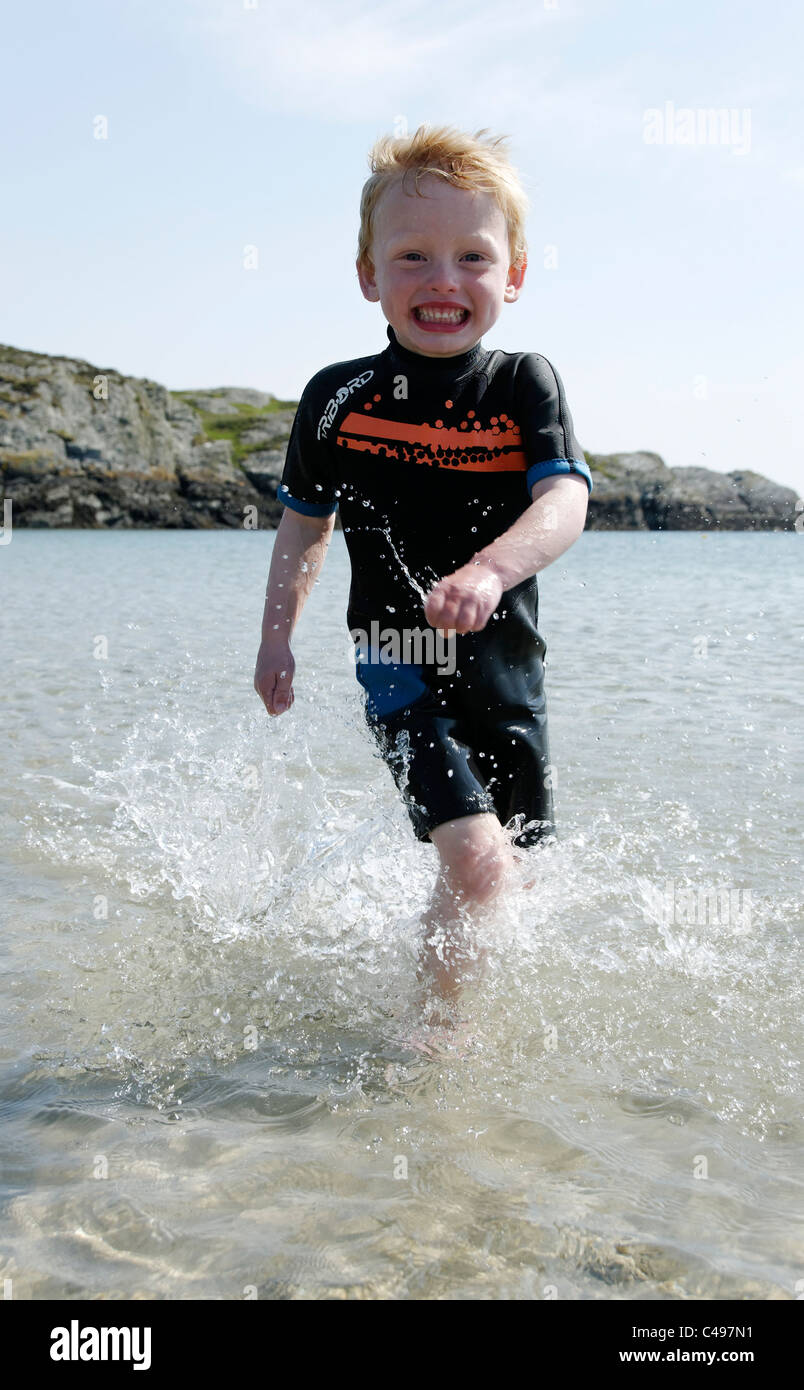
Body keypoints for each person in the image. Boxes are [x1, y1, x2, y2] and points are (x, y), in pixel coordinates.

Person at [254, 124, 591, 1004]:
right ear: (369, 274)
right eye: (412, 256)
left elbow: (565, 503)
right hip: (397, 666)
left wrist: (488, 571)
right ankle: (436, 1059)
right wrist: (277, 638)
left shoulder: (524, 385)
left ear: (513, 274)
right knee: (480, 866)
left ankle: (470, 1026)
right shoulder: (338, 399)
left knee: (517, 879)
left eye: (473, 256)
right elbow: (303, 526)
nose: (443, 280)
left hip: (510, 674)